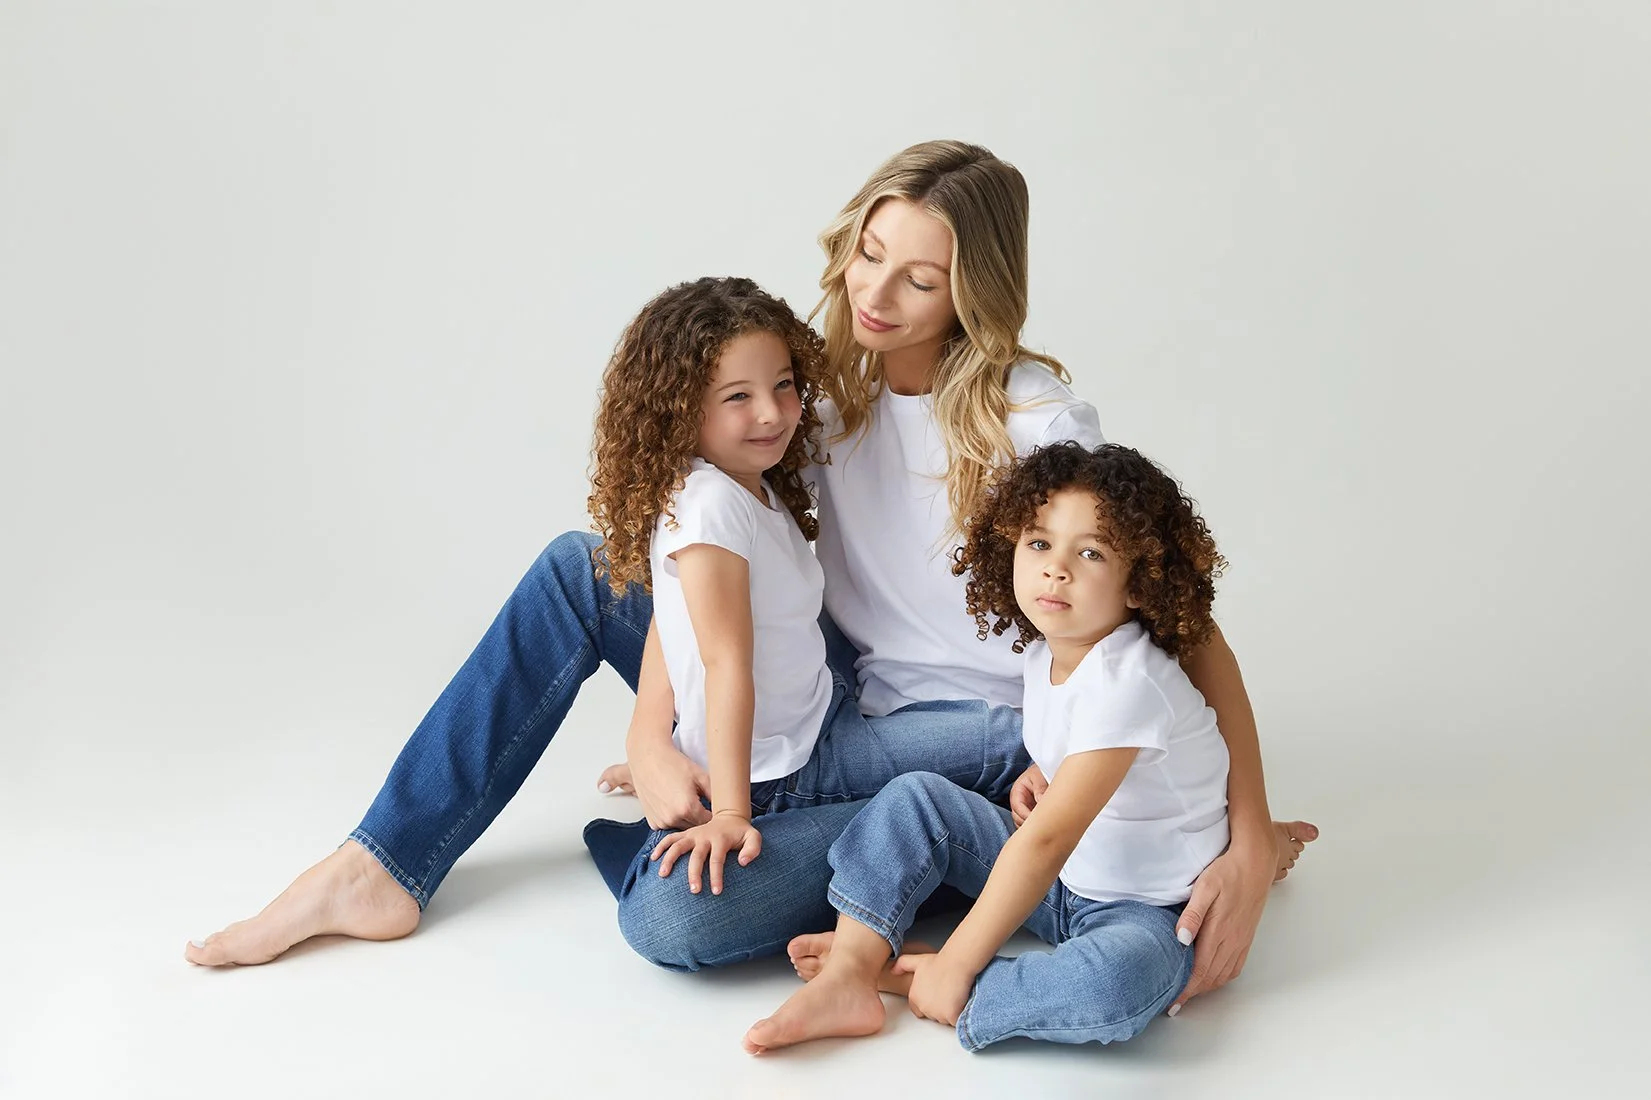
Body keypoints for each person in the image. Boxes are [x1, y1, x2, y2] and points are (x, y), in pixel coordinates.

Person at [186, 142, 1313, 1015]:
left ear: (975, 291)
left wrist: (1249, 832)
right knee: (581, 567)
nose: (879, 294)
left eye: (922, 278)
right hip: (842, 694)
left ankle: (873, 844)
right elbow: (693, 564)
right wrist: (647, 729)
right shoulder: (818, 401)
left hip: (979, 744)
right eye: (871, 254)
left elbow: (1180, 623)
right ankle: (379, 863)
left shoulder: (1030, 420)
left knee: (673, 925)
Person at [746, 441, 1230, 1053]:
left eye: (1091, 553)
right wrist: (1040, 769)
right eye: (1038, 543)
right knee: (915, 798)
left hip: (1145, 908)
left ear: (1140, 584)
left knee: (1114, 985)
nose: (1057, 569)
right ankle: (850, 970)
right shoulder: (1047, 652)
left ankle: (932, 977)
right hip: (1062, 880)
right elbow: (1078, 767)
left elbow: (1049, 838)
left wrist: (957, 958)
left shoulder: (1129, 681)